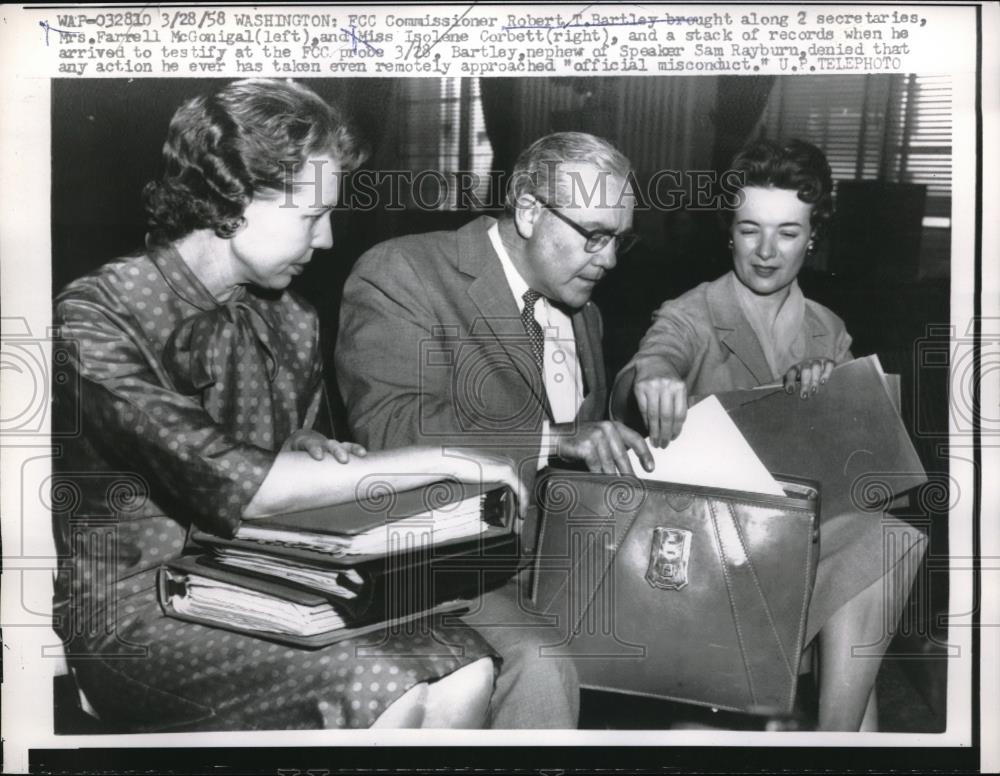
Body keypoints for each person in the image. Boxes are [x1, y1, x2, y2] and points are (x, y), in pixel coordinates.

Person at [51, 78, 528, 732]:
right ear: (234, 198)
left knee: (464, 665)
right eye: (311, 215)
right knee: (381, 685)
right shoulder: (99, 318)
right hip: (138, 609)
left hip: (261, 582)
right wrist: (443, 460)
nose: (328, 239)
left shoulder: (289, 322)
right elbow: (239, 483)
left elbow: (275, 462)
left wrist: (303, 448)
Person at [335, 132, 654, 727]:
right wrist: (550, 439)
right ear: (530, 211)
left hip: (556, 563)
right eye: (595, 236)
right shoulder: (404, 271)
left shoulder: (584, 311)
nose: (609, 259)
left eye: (619, 240)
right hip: (437, 564)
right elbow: (388, 428)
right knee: (543, 662)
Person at [621, 138, 927, 731]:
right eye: (749, 230)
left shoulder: (828, 329)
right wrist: (653, 377)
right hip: (714, 564)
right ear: (727, 232)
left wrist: (834, 390)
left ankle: (826, 741)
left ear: (813, 236)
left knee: (889, 539)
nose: (766, 251)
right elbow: (653, 358)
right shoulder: (692, 312)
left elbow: (867, 480)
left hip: (806, 554)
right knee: (861, 693)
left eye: (788, 233)